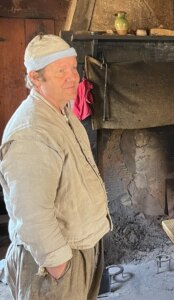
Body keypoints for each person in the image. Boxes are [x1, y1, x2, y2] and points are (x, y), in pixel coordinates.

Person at [0, 34, 112, 299]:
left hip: (78, 248)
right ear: (36, 78)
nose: (73, 76)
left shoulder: (62, 113)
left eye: (73, 67)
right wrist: (57, 263)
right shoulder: (32, 131)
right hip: (55, 262)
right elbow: (31, 211)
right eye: (61, 70)